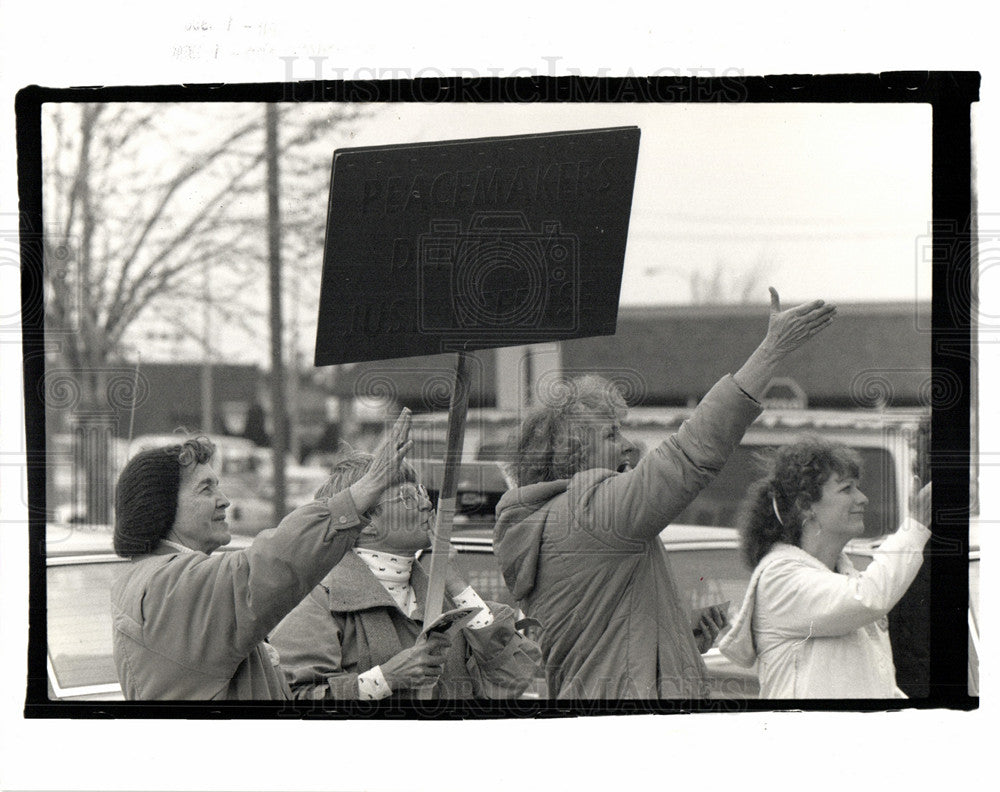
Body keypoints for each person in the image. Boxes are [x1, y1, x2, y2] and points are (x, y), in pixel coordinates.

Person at [493, 288, 837, 699]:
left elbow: (600, 649)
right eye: (610, 434)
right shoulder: (591, 511)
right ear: (573, 452)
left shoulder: (550, 525)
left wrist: (675, 638)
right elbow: (689, 455)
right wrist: (771, 350)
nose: (629, 445)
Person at [110, 409, 413, 700]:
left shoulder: (160, 580)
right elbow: (269, 566)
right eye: (205, 489)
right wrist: (364, 492)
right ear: (160, 506)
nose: (224, 500)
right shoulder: (168, 586)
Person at [269, 451, 541, 701]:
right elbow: (293, 698)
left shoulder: (448, 597)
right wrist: (385, 679)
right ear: (366, 524)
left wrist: (456, 583)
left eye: (421, 492)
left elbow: (511, 679)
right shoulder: (317, 600)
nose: (427, 505)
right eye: (408, 497)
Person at [718, 437, 932, 698]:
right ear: (805, 506)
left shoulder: (844, 575)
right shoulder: (779, 577)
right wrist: (916, 527)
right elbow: (869, 598)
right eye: (846, 489)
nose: (863, 498)